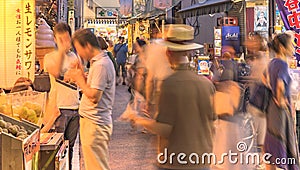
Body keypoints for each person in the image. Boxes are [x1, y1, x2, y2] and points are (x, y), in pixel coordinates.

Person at [123, 24, 215, 169]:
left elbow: (164, 128)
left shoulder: (170, 84)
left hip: (175, 160)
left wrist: (137, 118)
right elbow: (212, 122)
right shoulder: (206, 84)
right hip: (202, 158)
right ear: (189, 53)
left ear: (168, 53)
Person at [64, 28, 115, 170]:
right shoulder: (97, 63)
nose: (78, 53)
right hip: (93, 123)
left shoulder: (101, 65)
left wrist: (79, 79)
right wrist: (82, 76)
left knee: (97, 166)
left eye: (79, 48)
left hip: (95, 124)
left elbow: (94, 96)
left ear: (87, 45)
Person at [44, 22, 80, 169]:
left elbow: (80, 78)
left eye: (67, 39)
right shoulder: (50, 57)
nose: (65, 43)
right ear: (55, 39)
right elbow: (57, 73)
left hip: (75, 107)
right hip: (58, 109)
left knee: (70, 148)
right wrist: (61, 51)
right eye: (61, 39)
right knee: (57, 149)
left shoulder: (75, 57)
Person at [264, 33, 299, 170]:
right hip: (280, 111)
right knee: (283, 145)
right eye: (291, 45)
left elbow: (264, 80)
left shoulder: (271, 63)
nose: (294, 48)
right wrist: (281, 100)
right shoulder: (282, 65)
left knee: (272, 149)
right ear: (283, 48)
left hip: (271, 110)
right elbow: (280, 84)